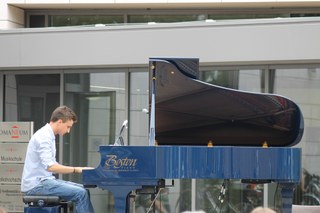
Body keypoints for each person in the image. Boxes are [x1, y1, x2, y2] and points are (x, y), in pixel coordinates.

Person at [21, 105, 95, 213]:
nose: (68, 131)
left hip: (45, 181)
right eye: (68, 126)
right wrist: (77, 169)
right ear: (60, 122)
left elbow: (51, 165)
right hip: (36, 185)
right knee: (81, 193)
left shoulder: (49, 135)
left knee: (85, 191)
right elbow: (51, 167)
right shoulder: (43, 137)